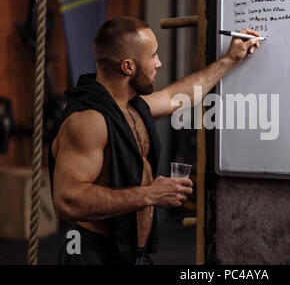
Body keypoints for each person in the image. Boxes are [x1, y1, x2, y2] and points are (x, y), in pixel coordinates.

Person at [48, 17, 261, 265]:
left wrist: (230, 59)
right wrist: (150, 194)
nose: (159, 63)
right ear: (128, 67)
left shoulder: (132, 107)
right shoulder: (88, 120)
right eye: (153, 55)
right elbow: (67, 201)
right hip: (93, 255)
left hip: (132, 253)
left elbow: (175, 97)